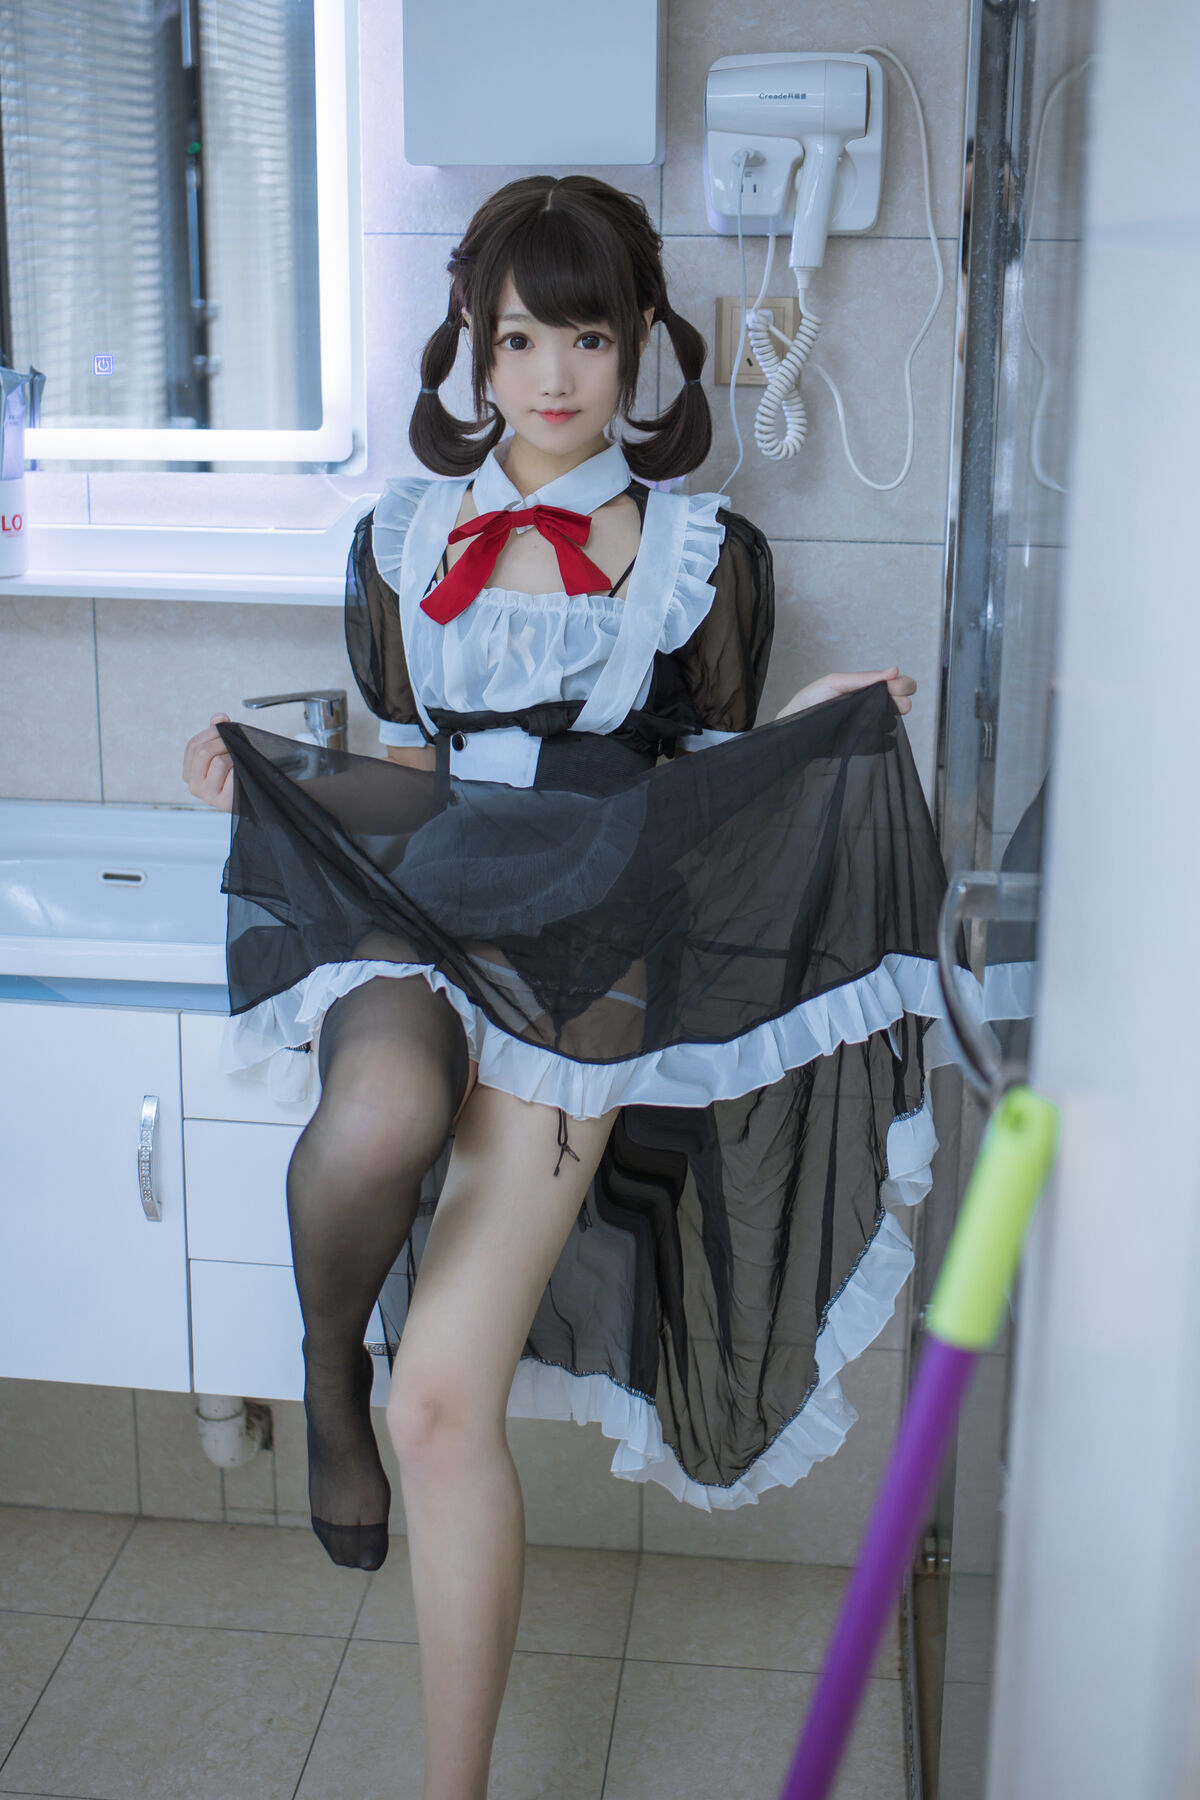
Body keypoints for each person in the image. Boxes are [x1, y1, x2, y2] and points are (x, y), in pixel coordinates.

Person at [182, 174, 948, 1800]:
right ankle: (325, 1366)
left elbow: (705, 790)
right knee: (379, 1107)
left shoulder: (703, 557)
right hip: (421, 907)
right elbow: (403, 763)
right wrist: (265, 767)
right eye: (520, 336)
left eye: (588, 338)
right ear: (474, 341)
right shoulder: (399, 540)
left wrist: (815, 722)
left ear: (638, 342)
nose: (552, 375)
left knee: (443, 1408)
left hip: (589, 951)